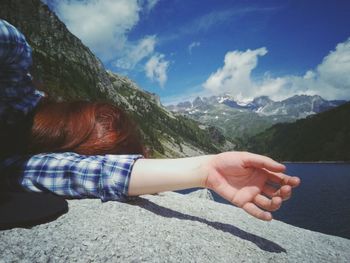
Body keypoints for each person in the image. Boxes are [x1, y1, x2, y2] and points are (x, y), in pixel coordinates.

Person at [0, 19, 300, 222]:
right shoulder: (14, 88)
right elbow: (14, 44)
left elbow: (82, 172)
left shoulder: (16, 166)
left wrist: (205, 170)